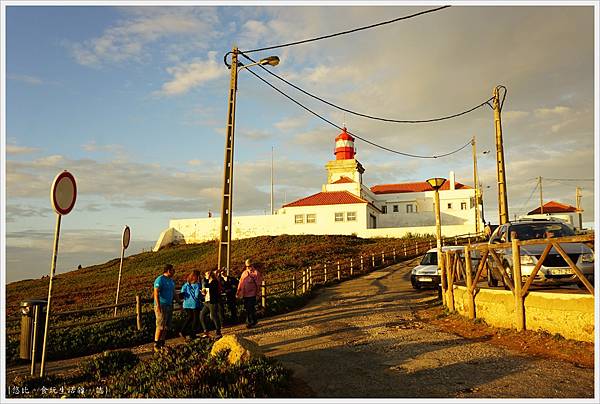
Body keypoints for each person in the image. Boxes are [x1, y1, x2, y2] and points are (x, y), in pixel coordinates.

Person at [153, 264, 176, 352]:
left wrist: (178, 302)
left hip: (169, 304)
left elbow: (173, 292)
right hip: (162, 305)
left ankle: (162, 342)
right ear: (168, 271)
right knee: (160, 325)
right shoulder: (160, 279)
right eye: (173, 270)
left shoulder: (171, 281)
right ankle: (156, 343)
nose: (174, 272)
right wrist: (158, 305)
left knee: (167, 325)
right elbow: (156, 293)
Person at [236, 258, 263, 328]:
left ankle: (249, 322)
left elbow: (258, 284)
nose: (248, 267)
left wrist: (258, 293)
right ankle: (254, 320)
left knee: (250, 308)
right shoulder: (244, 273)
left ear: (252, 265)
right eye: (247, 266)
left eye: (249, 266)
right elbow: (240, 282)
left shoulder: (256, 273)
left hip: (252, 294)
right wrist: (238, 291)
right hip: (245, 294)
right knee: (248, 308)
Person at [200, 270, 223, 338]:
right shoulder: (207, 282)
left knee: (213, 316)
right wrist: (203, 292)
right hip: (207, 301)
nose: (205, 276)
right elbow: (206, 289)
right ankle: (206, 331)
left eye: (206, 275)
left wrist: (204, 285)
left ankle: (218, 331)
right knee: (202, 315)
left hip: (212, 302)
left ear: (210, 275)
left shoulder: (214, 282)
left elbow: (210, 287)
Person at [179, 270, 202, 339]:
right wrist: (202, 295)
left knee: (189, 317)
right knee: (195, 319)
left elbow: (182, 293)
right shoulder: (197, 285)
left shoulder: (186, 285)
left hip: (186, 304)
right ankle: (192, 334)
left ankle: (182, 330)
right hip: (194, 304)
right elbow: (197, 295)